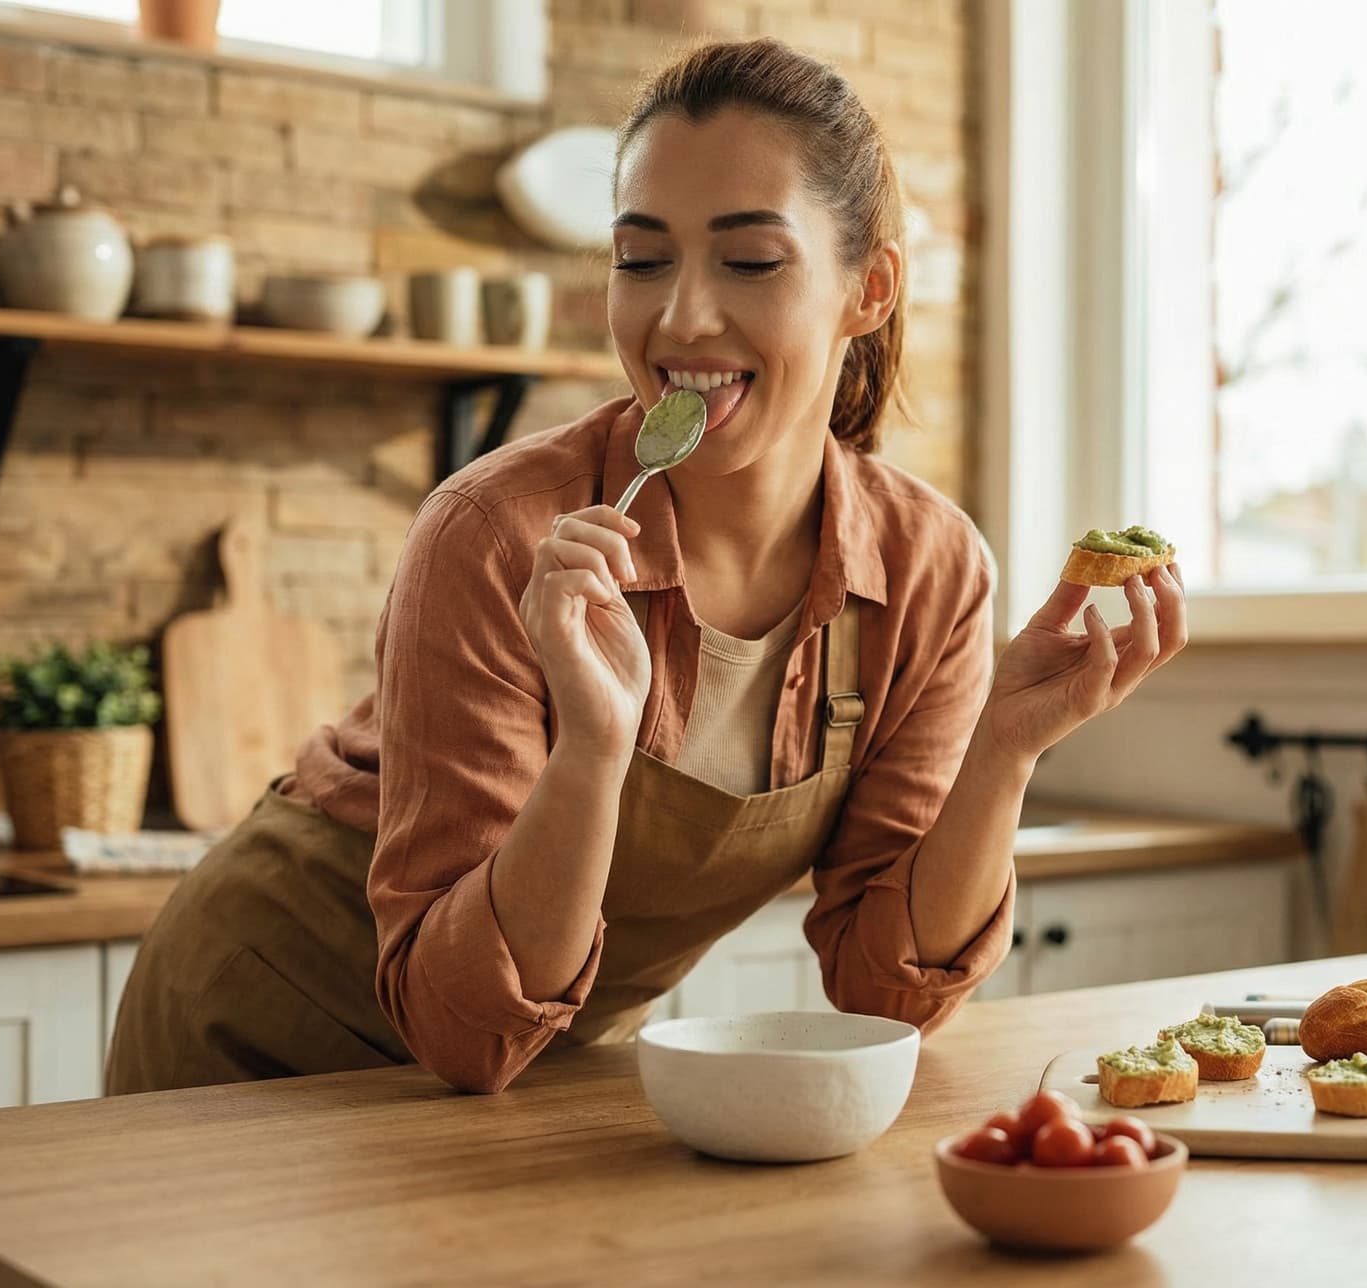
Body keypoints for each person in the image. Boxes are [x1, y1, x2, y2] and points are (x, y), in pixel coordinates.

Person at [106, 37, 1187, 1096]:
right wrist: (591, 750)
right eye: (641, 258)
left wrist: (1002, 751)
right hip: (258, 1042)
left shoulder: (929, 569)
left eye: (751, 261)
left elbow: (884, 993)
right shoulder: (495, 533)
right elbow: (457, 1027)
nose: (681, 316)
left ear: (870, 288)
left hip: (535, 1070)